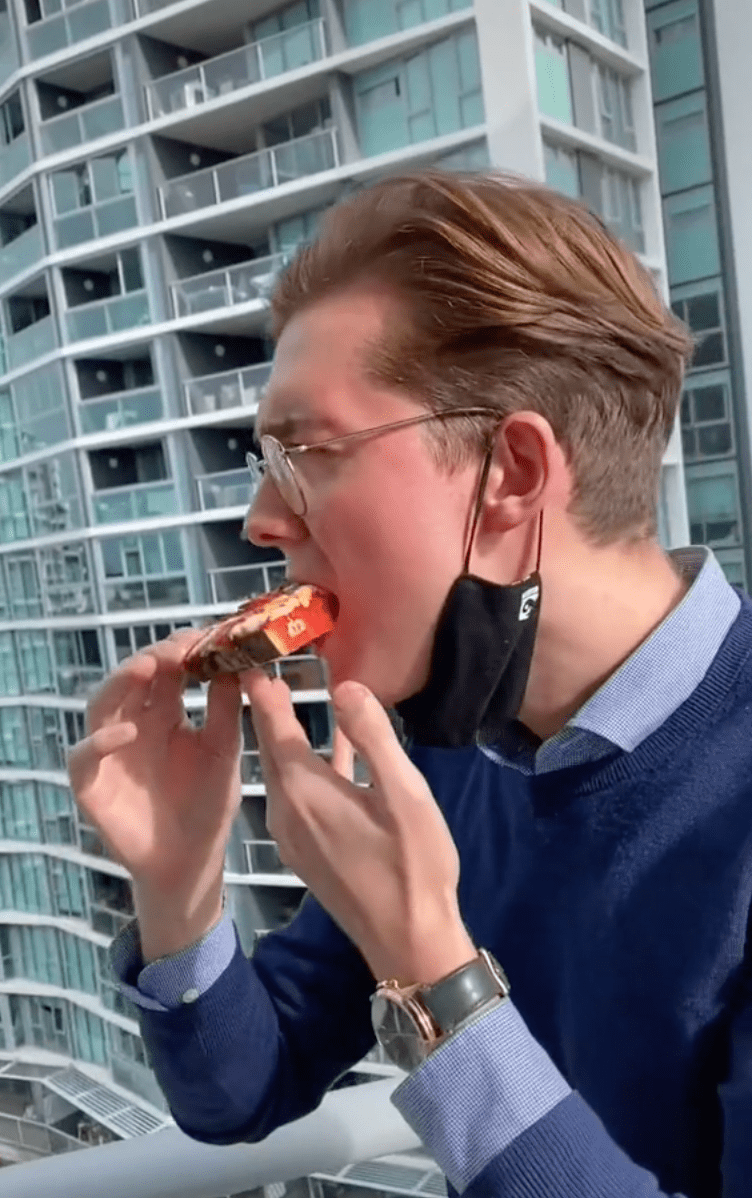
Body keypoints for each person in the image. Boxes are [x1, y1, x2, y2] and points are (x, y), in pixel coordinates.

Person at [68, 171, 752, 1198]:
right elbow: (241, 1092)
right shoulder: (447, 737)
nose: (261, 516)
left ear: (512, 472)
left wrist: (434, 971)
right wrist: (178, 890)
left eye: (305, 450)